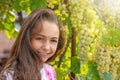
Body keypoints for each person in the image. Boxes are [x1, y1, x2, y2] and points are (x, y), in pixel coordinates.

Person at [0, 8, 66, 80]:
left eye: (53, 40)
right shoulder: (11, 75)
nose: (46, 47)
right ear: (27, 39)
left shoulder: (50, 71)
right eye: (39, 38)